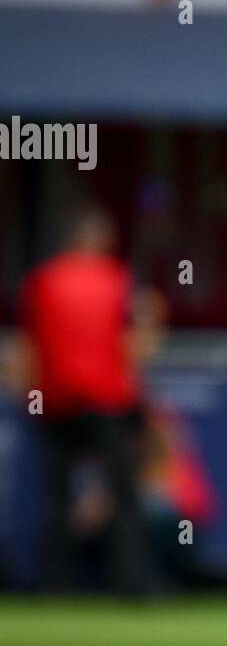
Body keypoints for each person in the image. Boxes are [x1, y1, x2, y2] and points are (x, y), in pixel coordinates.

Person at [15, 209, 158, 595]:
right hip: (108, 401)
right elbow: (136, 347)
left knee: (56, 496)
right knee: (125, 496)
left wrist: (31, 397)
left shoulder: (41, 280)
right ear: (101, 240)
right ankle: (128, 584)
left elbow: (27, 351)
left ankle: (55, 585)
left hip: (56, 404)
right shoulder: (118, 279)